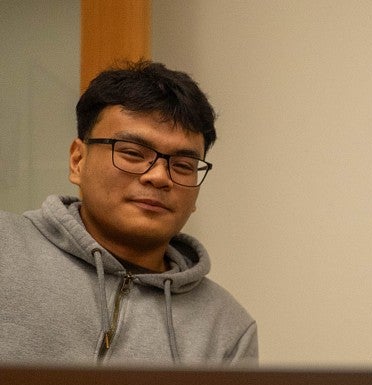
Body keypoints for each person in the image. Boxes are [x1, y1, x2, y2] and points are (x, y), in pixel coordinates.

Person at [0, 61, 257, 364]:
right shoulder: (7, 248)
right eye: (133, 153)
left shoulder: (227, 328)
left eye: (183, 166)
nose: (160, 177)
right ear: (77, 161)